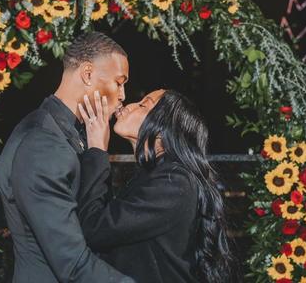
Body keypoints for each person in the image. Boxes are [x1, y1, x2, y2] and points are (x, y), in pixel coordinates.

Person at [0, 32, 134, 282]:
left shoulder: (60, 132)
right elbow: (72, 263)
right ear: (88, 74)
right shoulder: (43, 144)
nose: (123, 95)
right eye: (119, 82)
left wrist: (96, 151)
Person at [77, 89, 236, 282]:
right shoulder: (156, 178)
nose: (130, 105)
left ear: (162, 131)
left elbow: (95, 228)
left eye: (144, 104)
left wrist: (96, 149)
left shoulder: (174, 183)